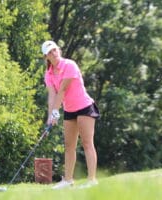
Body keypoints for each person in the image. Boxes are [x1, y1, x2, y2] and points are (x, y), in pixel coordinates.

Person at [41, 40, 100, 189]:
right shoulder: (48, 74)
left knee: (87, 143)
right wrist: (50, 116)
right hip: (70, 110)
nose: (53, 53)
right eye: (49, 52)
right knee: (69, 146)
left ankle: (92, 179)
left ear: (58, 50)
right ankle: (68, 180)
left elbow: (62, 90)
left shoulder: (69, 65)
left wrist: (55, 112)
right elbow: (52, 95)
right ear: (45, 57)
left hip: (84, 107)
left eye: (54, 50)